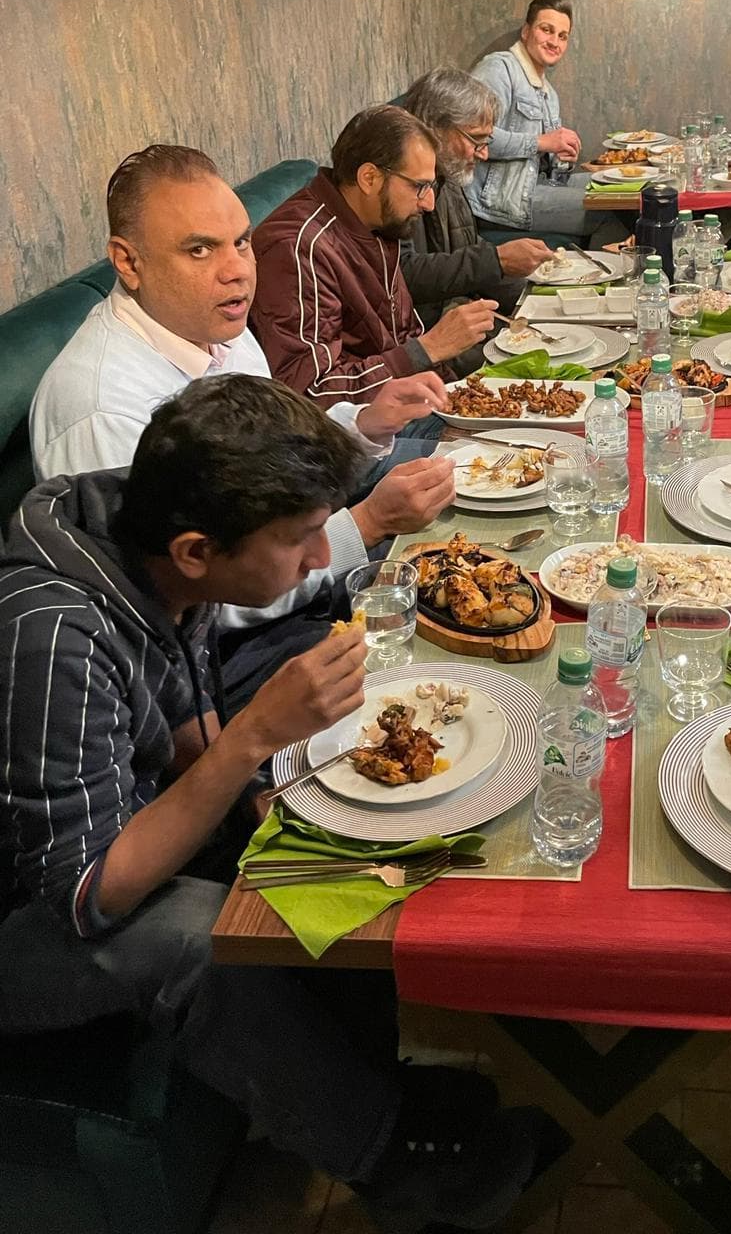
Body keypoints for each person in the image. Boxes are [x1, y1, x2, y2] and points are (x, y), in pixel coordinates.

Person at [0, 375, 538, 1231]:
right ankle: (390, 1160)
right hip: (28, 916)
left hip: (113, 834)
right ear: (196, 550)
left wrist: (268, 802)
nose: (322, 559)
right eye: (297, 539)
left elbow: (185, 717)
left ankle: (379, 1086)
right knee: (195, 937)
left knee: (313, 841)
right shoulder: (55, 633)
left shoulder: (146, 536)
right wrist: (252, 739)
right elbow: (85, 897)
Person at [29, 145, 456, 699]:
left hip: (282, 571)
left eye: (241, 242)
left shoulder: (214, 327)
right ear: (129, 262)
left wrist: (362, 426)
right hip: (213, 660)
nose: (237, 271)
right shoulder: (101, 409)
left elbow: (271, 470)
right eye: (199, 249)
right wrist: (366, 525)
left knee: (459, 515)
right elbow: (184, 605)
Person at [252, 105, 500, 403]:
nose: (429, 203)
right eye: (420, 186)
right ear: (369, 178)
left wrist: (459, 394)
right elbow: (308, 392)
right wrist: (427, 349)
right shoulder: (299, 248)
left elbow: (403, 336)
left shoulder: (376, 222)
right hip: (354, 426)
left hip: (407, 403)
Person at [394, 67, 554, 323]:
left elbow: (466, 247)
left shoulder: (446, 175)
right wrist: (497, 260)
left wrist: (539, 301)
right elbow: (402, 276)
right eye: (475, 139)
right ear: (434, 128)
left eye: (486, 141)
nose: (483, 153)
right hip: (422, 331)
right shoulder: (396, 179)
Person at [468, 0, 593, 237]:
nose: (554, 42)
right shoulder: (498, 68)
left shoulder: (549, 94)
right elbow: (474, 137)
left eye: (562, 36)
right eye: (546, 30)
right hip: (500, 201)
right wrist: (541, 142)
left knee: (617, 192)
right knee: (606, 212)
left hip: (540, 185)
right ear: (526, 32)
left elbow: (548, 163)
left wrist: (563, 159)